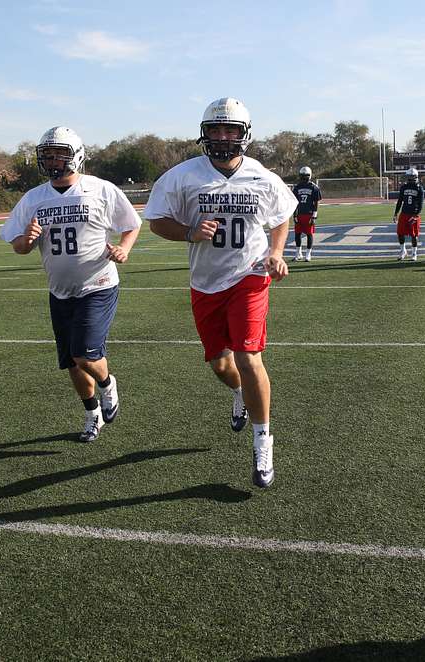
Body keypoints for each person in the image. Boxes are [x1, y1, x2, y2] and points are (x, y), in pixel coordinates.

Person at [144, 97, 296, 488]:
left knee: (248, 356)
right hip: (206, 282)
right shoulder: (182, 176)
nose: (223, 137)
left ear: (244, 134)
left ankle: (263, 441)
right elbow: (158, 222)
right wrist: (190, 232)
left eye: (231, 129)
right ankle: (239, 394)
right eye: (216, 129)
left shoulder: (262, 176)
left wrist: (276, 252)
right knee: (220, 365)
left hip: (250, 274)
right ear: (204, 133)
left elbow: (282, 216)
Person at [0, 126, 142, 442]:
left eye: (59, 154)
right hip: (60, 291)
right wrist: (27, 239)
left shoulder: (100, 189)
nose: (52, 161)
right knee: (73, 365)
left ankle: (107, 385)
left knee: (84, 355)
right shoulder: (34, 198)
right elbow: (18, 247)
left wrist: (124, 249)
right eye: (47, 155)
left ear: (75, 154)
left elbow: (131, 224)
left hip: (99, 283)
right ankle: (92, 414)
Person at [291, 166, 322, 262]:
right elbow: (294, 201)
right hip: (299, 213)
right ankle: (298, 253)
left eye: (306, 175)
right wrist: (294, 215)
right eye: (302, 176)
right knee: (297, 234)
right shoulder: (297, 187)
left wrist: (314, 215)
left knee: (309, 234)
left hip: (309, 214)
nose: (304, 177)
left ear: (310, 176)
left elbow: (316, 202)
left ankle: (308, 254)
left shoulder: (314, 187)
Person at [393, 167, 423, 261]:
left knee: (414, 235)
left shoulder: (419, 188)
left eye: (411, 176)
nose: (409, 178)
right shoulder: (404, 187)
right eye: (408, 176)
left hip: (413, 214)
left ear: (415, 177)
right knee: (400, 233)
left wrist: (416, 215)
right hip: (404, 213)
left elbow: (421, 204)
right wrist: (396, 213)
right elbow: (400, 201)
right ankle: (403, 251)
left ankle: (414, 253)